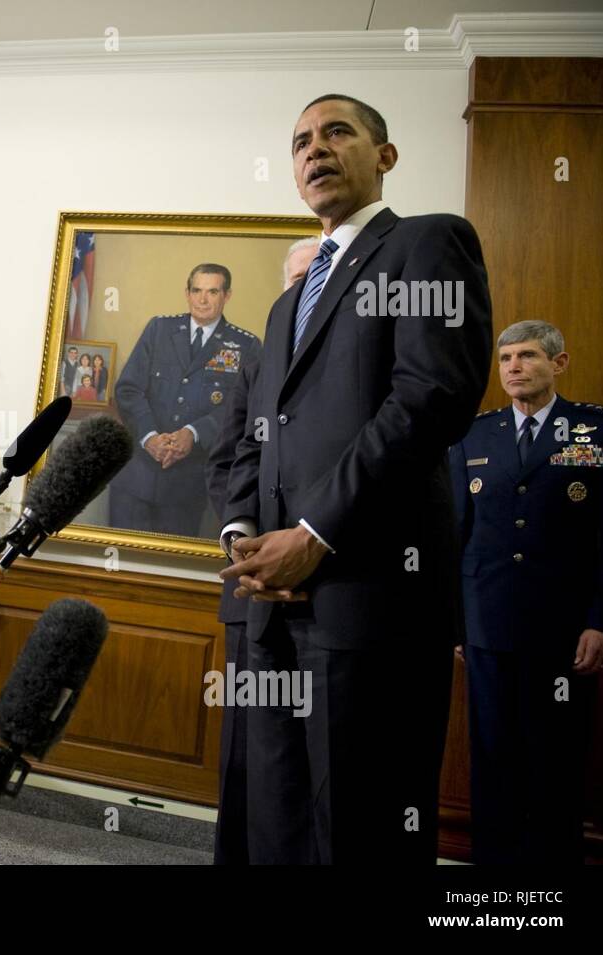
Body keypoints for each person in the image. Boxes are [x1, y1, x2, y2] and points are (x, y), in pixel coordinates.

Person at [219, 94, 493, 863]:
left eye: (338, 132)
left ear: (386, 155)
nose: (316, 149)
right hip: (266, 601)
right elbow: (252, 439)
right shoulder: (283, 309)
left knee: (360, 826)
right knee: (272, 825)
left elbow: (429, 397)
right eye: (302, 139)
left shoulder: (426, 244)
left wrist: (313, 533)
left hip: (370, 593)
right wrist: (244, 535)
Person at [450, 319, 603, 864]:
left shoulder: (598, 433)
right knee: (492, 761)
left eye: (526, 357)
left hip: (565, 634)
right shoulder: (475, 434)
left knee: (557, 764)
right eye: (506, 360)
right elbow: (456, 533)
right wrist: (456, 623)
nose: (513, 368)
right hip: (487, 628)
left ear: (558, 364)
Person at [203, 238, 317, 864]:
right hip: (250, 591)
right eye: (296, 278)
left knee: (319, 766)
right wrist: (240, 536)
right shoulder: (254, 361)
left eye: (318, 276)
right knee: (249, 758)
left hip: (328, 587)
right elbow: (229, 463)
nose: (305, 289)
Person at [112, 263, 262, 537]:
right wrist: (150, 437)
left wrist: (194, 433)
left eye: (213, 292)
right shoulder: (159, 329)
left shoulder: (246, 345)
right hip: (136, 477)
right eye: (197, 290)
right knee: (120, 564)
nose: (203, 299)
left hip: (189, 483)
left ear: (226, 295)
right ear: (187, 293)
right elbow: (128, 389)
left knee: (170, 568)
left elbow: (242, 408)